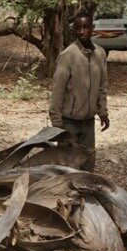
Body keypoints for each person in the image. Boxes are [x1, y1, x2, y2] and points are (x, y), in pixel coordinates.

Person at [48, 11, 109, 171]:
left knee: (88, 168)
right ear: (74, 30)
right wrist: (57, 124)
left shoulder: (100, 54)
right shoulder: (68, 55)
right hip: (69, 123)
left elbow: (102, 85)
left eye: (86, 27)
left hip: (88, 123)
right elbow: (57, 91)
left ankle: (86, 197)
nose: (82, 32)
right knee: (68, 169)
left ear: (92, 28)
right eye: (78, 28)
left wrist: (103, 111)